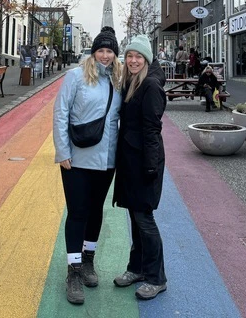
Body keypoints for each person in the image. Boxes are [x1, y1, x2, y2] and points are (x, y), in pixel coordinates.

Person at [53, 26, 122, 305]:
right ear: (93, 52)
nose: (105, 55)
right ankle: (74, 270)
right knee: (78, 212)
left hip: (107, 160)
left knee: (96, 211)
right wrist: (62, 151)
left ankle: (89, 259)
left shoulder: (118, 81)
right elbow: (61, 113)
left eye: (110, 51)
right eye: (101, 50)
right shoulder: (75, 77)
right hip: (78, 159)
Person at [113, 34, 168, 301]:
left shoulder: (151, 86)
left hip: (145, 162)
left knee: (145, 219)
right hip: (132, 160)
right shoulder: (132, 81)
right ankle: (137, 268)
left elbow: (151, 130)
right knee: (136, 218)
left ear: (146, 59)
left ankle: (157, 278)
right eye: (130, 56)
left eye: (139, 57)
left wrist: (150, 168)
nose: (133, 60)